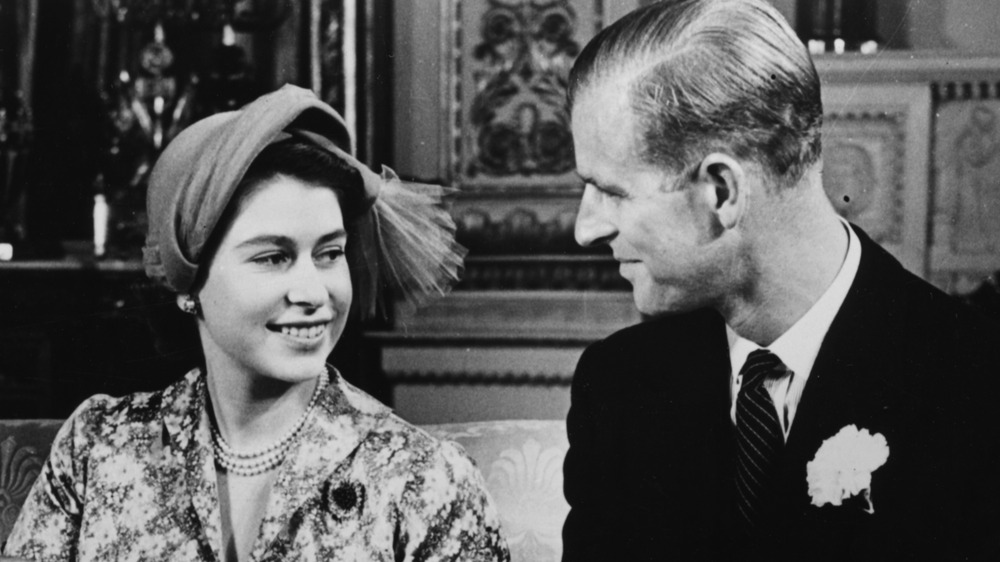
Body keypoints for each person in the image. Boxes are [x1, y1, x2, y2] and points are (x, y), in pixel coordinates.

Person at [561, 1, 1000, 560]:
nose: (584, 229)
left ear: (721, 191)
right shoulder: (619, 386)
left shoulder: (977, 385)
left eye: (612, 191)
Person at [3, 85, 509, 562]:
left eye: (330, 253)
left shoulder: (422, 478)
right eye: (273, 257)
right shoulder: (97, 449)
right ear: (188, 284)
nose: (315, 292)